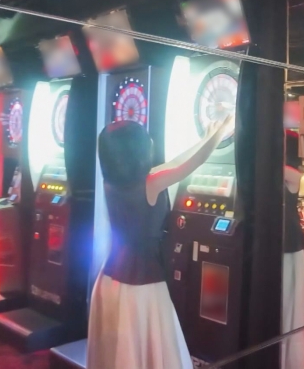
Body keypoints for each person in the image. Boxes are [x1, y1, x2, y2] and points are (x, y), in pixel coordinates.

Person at [87, 116, 234, 369]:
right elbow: (189, 165)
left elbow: (176, 163)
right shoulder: (151, 182)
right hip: (142, 283)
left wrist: (207, 137)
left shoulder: (110, 181)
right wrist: (220, 133)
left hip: (110, 278)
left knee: (119, 352)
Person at [282, 130, 304, 369]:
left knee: (289, 301)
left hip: (289, 244)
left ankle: (289, 356)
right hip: (279, 241)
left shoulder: (292, 175)